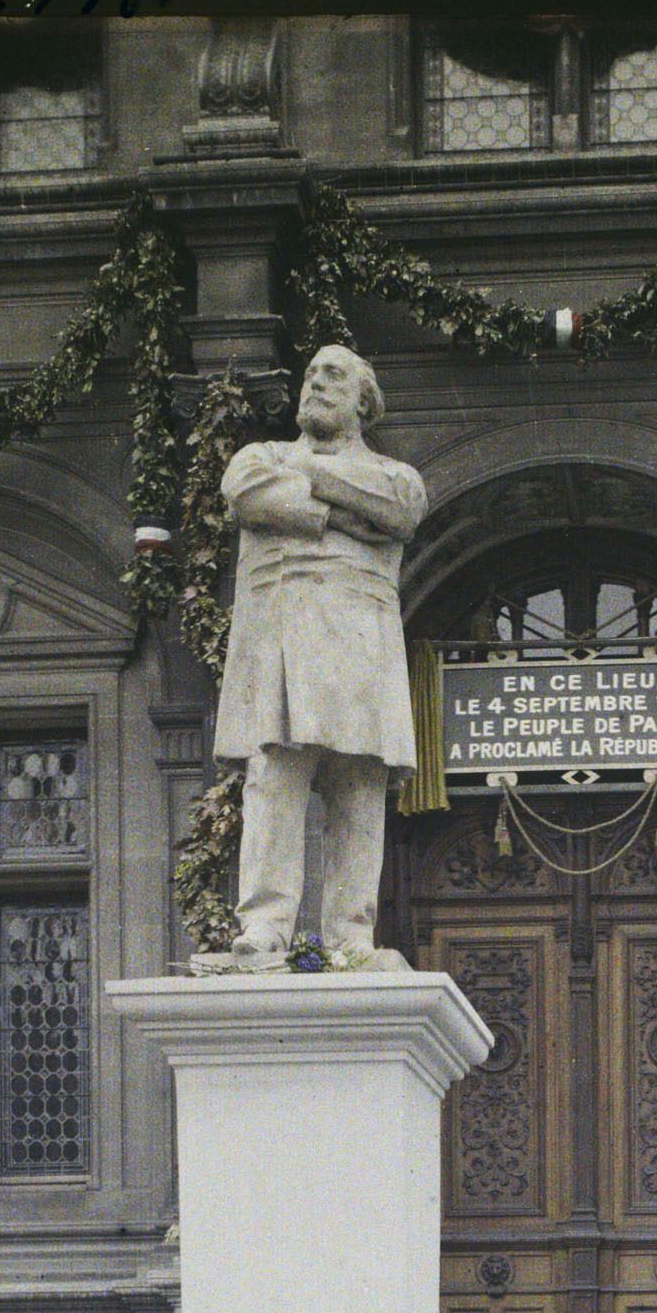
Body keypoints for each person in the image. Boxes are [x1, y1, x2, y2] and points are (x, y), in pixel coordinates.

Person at [210, 343, 428, 966]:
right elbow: (248, 493)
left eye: (332, 375)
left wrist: (315, 487)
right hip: (281, 633)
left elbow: (402, 513)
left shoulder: (395, 475)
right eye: (309, 375)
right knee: (275, 777)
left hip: (362, 641)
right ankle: (265, 928)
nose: (315, 384)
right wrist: (350, 515)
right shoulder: (261, 457)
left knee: (360, 785)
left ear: (364, 399)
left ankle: (351, 936)